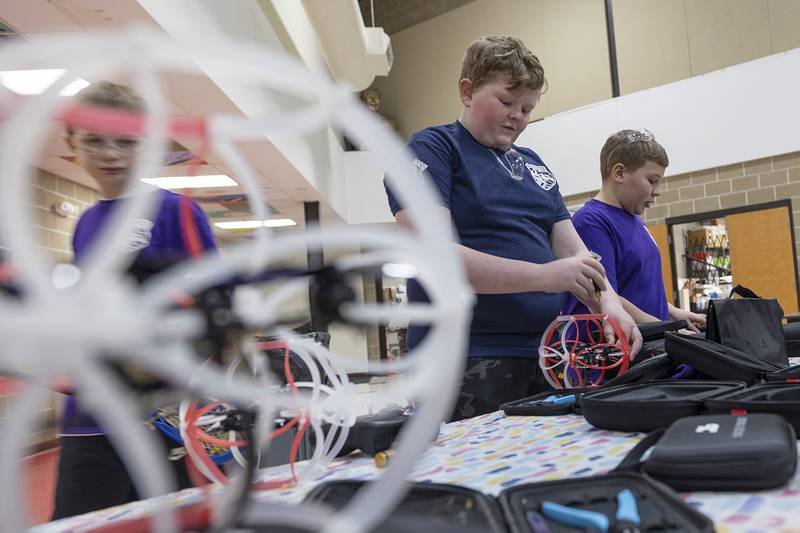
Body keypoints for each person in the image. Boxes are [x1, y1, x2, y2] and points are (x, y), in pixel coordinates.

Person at [384, 36, 642, 421]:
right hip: (465, 357)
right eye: (506, 102)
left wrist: (608, 303)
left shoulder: (534, 165)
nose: (518, 117)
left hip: (547, 353)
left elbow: (575, 253)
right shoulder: (434, 149)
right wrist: (544, 277)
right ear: (467, 91)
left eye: (527, 108)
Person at [52, 81, 218, 519]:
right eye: (95, 141)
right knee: (80, 523)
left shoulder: (175, 212)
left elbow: (214, 308)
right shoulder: (86, 222)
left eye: (126, 142)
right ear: (72, 144)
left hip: (161, 414)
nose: (111, 154)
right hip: (91, 416)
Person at [562, 129, 706, 331]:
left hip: (651, 339)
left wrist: (672, 312)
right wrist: (666, 329)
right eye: (652, 180)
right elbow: (603, 296)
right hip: (614, 351)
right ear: (619, 173)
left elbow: (637, 288)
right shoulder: (591, 222)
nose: (658, 191)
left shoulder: (634, 219)